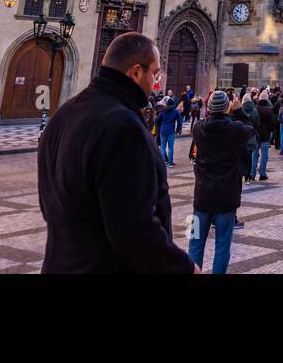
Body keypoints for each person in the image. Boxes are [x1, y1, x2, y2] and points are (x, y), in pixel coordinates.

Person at [37, 32, 194, 273]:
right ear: (136, 72)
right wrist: (184, 268)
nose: (157, 82)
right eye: (155, 73)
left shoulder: (63, 115)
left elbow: (49, 206)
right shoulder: (124, 127)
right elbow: (134, 230)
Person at [188, 90, 254, 274]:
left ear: (208, 107)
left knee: (194, 244)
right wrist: (239, 111)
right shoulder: (234, 129)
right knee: (222, 247)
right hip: (226, 198)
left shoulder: (197, 128)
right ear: (227, 108)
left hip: (200, 198)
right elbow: (250, 128)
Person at [252, 91, 275, 181]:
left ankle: (252, 173)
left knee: (254, 154)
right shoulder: (269, 110)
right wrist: (271, 130)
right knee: (264, 155)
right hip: (265, 135)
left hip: (256, 134)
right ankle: (262, 174)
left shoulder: (255, 109)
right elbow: (272, 123)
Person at [156, 98, 182, 166]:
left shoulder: (162, 111)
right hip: (171, 131)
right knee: (171, 147)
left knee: (163, 147)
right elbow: (179, 122)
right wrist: (178, 130)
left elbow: (156, 120)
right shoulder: (176, 112)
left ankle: (163, 161)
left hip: (163, 130)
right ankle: (170, 162)